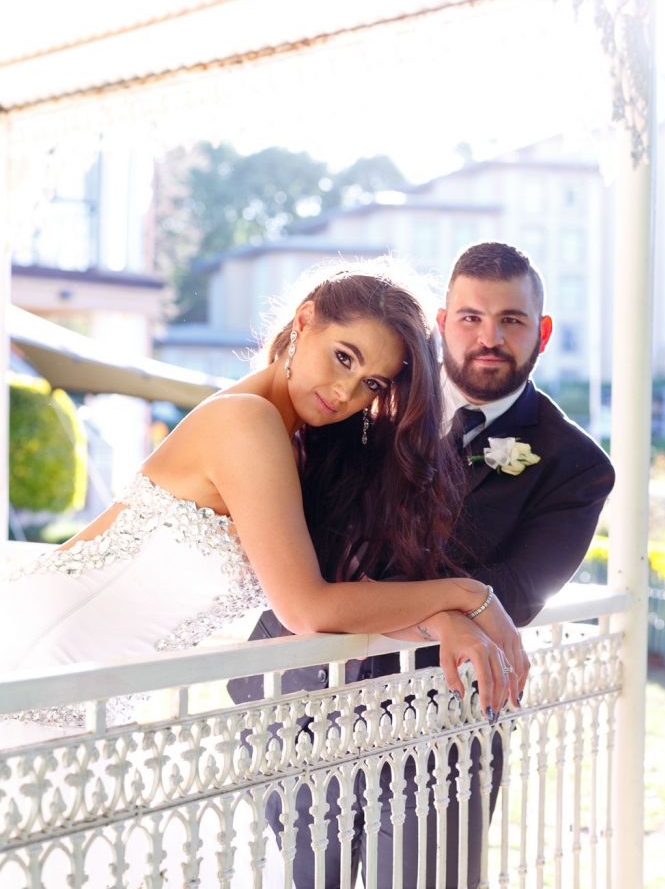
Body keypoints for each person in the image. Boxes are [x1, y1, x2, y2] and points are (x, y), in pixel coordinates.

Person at [0, 260, 524, 736]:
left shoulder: (296, 447)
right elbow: (307, 608)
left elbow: (339, 596)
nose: (345, 393)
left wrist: (441, 619)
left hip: (93, 688)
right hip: (39, 655)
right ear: (304, 322)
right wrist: (467, 593)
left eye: (371, 383)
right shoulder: (245, 422)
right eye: (342, 357)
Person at [242, 242, 615, 888]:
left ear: (541, 332)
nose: (488, 337)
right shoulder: (365, 401)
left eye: (511, 320)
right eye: (470, 317)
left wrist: (434, 606)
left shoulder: (573, 462)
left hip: (444, 720)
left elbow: (517, 594)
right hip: (302, 698)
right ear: (443, 322)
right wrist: (447, 605)